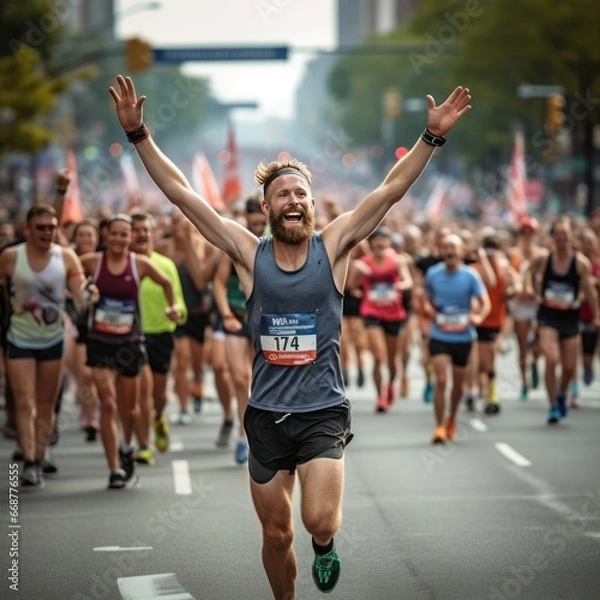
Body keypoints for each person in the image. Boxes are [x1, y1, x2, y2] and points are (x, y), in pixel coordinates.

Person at [110, 74, 471, 598]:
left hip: (322, 408)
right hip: (265, 414)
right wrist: (139, 133)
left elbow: (391, 190)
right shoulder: (247, 253)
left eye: (301, 192)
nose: (294, 199)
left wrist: (431, 137)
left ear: (313, 203)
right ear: (267, 208)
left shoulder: (337, 245)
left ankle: (325, 547)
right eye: (283, 194)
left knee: (317, 522)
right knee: (276, 534)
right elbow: (184, 196)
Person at [79, 213, 180, 489]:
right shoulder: (92, 262)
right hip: (100, 341)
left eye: (125, 234)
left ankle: (127, 446)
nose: (120, 239)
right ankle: (113, 469)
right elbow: (72, 276)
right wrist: (84, 291)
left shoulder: (140, 265)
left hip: (129, 344)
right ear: (106, 236)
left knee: (130, 409)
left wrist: (171, 308)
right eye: (115, 233)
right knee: (108, 404)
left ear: (130, 238)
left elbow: (168, 283)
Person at [0, 204, 96, 487]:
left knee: (46, 404)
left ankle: (40, 457)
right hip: (19, 338)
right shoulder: (10, 257)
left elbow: (80, 293)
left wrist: (89, 295)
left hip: (53, 339)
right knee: (23, 400)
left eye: (52, 227)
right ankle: (29, 461)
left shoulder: (66, 257)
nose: (47, 232)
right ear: (27, 230)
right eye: (41, 228)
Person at [525, 216, 600, 424]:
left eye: (565, 234)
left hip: (570, 317)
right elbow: (528, 270)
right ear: (553, 237)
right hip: (548, 316)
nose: (561, 238)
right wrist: (531, 289)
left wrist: (596, 315)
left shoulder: (580, 263)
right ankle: (552, 406)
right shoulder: (545, 259)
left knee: (568, 367)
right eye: (558, 234)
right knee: (551, 360)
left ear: (570, 236)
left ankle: (562, 393)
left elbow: (590, 291)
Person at [129, 212, 187, 465]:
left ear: (153, 234)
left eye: (146, 230)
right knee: (141, 394)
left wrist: (176, 312)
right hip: (132, 337)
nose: (142, 234)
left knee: (158, 395)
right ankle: (143, 445)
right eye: (136, 230)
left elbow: (181, 308)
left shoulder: (166, 265)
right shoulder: (124, 265)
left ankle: (159, 417)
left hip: (161, 335)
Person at [422, 234, 490, 444]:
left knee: (459, 386)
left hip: (463, 337)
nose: (450, 250)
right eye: (446, 247)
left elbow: (485, 302)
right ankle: (439, 426)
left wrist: (479, 316)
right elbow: (424, 298)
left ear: (461, 252)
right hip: (440, 335)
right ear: (442, 252)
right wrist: (429, 310)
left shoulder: (470, 276)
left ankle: (452, 418)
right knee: (441, 380)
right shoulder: (433, 274)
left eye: (454, 246)